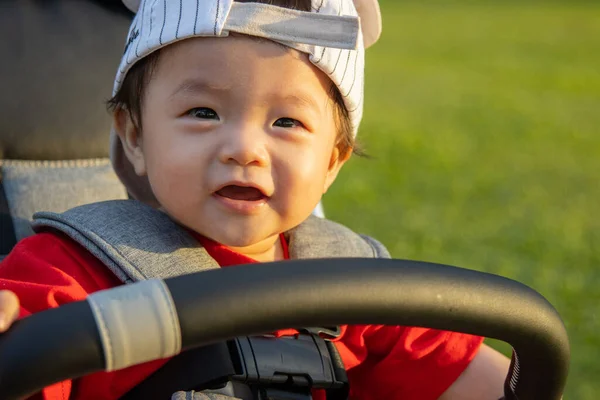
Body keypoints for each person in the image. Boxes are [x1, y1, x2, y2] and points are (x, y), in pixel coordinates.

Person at [0, 0, 511, 399]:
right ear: (134, 136)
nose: (243, 148)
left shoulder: (355, 288)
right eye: (202, 112)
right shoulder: (69, 273)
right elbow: (23, 357)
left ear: (333, 160)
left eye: (286, 122)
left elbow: (488, 380)